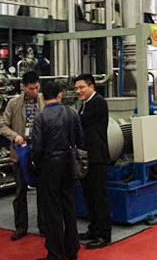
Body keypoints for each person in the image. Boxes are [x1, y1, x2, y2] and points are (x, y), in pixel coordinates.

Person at [31, 82, 82, 260]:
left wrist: (36, 164)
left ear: (42, 97)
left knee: (52, 211)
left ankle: (55, 253)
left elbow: (37, 147)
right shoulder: (71, 112)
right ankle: (72, 249)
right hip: (68, 164)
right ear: (60, 95)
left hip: (49, 166)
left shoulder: (40, 117)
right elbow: (80, 138)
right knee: (69, 206)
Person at [0, 71, 46, 240]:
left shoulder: (44, 101)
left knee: (43, 192)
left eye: (37, 88)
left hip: (40, 153)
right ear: (23, 87)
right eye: (31, 88)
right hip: (20, 153)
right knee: (20, 192)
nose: (34, 91)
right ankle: (21, 226)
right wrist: (15, 136)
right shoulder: (14, 103)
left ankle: (44, 225)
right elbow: (2, 125)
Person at [74, 74, 112, 249]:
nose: (78, 91)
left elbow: (81, 123)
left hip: (97, 158)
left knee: (98, 197)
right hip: (87, 157)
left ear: (91, 86)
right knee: (89, 196)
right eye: (76, 88)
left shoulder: (98, 102)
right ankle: (94, 229)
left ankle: (104, 235)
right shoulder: (85, 104)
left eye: (82, 87)